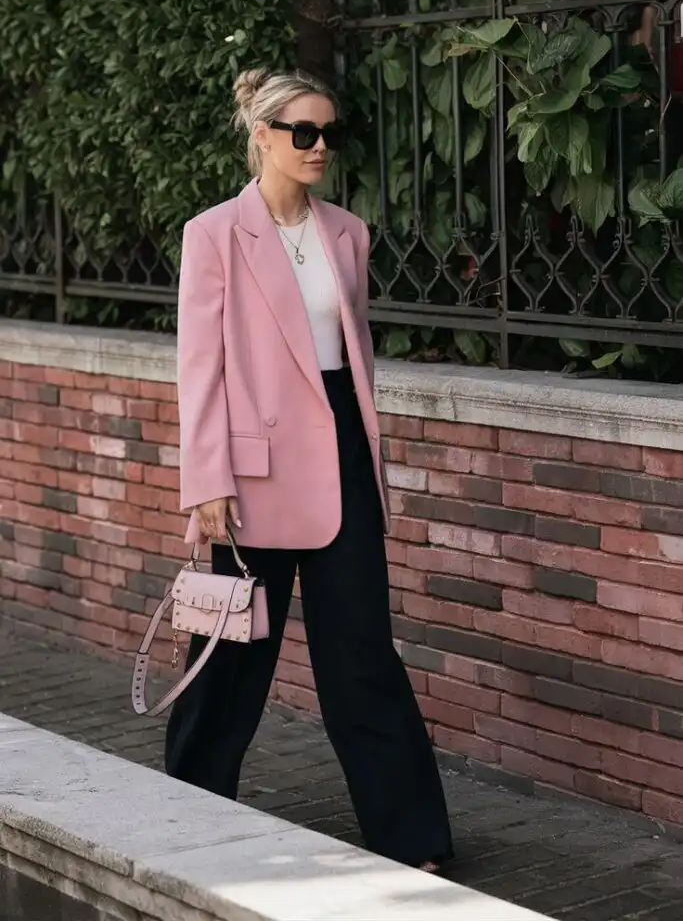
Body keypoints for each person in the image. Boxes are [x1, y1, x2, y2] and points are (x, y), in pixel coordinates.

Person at [164, 67, 453, 871]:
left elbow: (347, 363)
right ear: (262, 135)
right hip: (252, 476)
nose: (320, 146)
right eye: (304, 132)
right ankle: (185, 812)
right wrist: (207, 480)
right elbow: (200, 368)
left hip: (343, 464)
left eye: (330, 132)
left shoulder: (347, 233)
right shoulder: (214, 233)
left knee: (361, 651)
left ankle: (411, 837)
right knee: (232, 654)